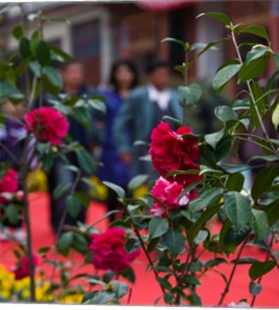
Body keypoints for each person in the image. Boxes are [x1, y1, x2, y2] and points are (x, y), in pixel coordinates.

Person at [44, 61, 93, 237]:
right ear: (62, 74)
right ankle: (62, 228)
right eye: (72, 72)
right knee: (64, 189)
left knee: (82, 190)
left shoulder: (88, 97)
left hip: (83, 152)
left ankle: (79, 228)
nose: (76, 76)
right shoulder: (51, 98)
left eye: (79, 71)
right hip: (60, 153)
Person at [113, 60, 183, 178]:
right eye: (159, 74)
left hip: (172, 153)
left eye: (165, 74)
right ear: (151, 76)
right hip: (145, 151)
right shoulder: (138, 96)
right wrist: (124, 148)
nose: (162, 78)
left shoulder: (175, 97)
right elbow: (120, 123)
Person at [95, 60, 139, 221]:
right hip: (111, 149)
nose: (124, 76)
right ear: (114, 75)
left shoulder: (139, 96)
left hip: (133, 149)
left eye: (127, 72)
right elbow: (98, 119)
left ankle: (129, 228)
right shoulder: (107, 97)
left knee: (130, 190)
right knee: (112, 191)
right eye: (120, 72)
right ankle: (112, 229)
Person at [0, 103, 31, 242]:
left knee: (19, 198)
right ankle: (3, 225)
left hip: (19, 169)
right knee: (2, 198)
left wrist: (29, 163)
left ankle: (17, 226)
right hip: (3, 168)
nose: (14, 108)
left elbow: (30, 146)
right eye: (11, 104)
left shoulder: (25, 125)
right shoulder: (1, 125)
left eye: (16, 104)